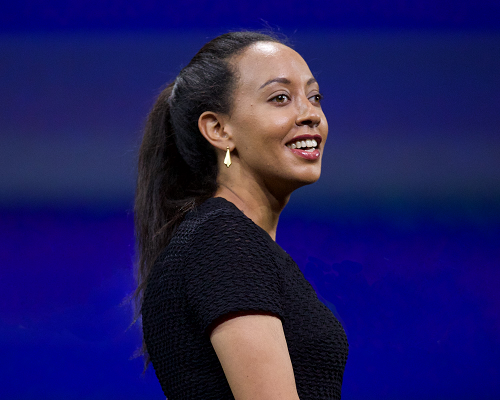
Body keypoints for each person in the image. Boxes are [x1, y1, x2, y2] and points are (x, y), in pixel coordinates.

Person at [134, 31, 349, 400]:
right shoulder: (223, 241)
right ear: (219, 129)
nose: (310, 114)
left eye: (314, 97)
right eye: (280, 98)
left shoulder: (223, 238)